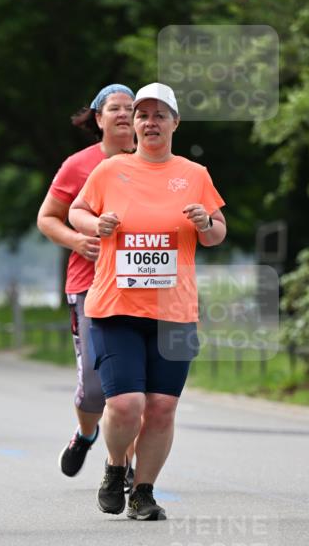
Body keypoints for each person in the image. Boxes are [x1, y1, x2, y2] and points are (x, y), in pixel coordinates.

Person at [69, 83, 226, 520]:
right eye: (142, 116)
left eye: (159, 115)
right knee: (125, 404)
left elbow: (217, 233)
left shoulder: (194, 174)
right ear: (133, 124)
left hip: (174, 312)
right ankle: (115, 465)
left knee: (161, 406)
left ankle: (143, 492)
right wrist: (95, 223)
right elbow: (75, 212)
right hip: (116, 307)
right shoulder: (110, 170)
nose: (150, 123)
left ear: (175, 122)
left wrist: (205, 221)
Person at [36, 83, 136, 487]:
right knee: (96, 391)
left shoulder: (152, 163)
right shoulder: (79, 165)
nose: (126, 114)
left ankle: (125, 468)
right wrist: (78, 241)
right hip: (89, 287)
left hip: (140, 289)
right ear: (98, 118)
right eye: (116, 108)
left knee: (130, 387)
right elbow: (47, 217)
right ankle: (86, 433)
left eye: (133, 107)